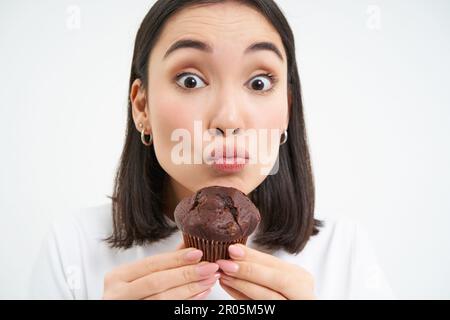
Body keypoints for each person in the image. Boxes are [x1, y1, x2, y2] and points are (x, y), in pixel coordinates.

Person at [29, 0, 395, 300]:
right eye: (191, 80)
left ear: (287, 108)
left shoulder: (344, 250)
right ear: (142, 107)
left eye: (259, 81)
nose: (228, 118)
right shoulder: (73, 245)